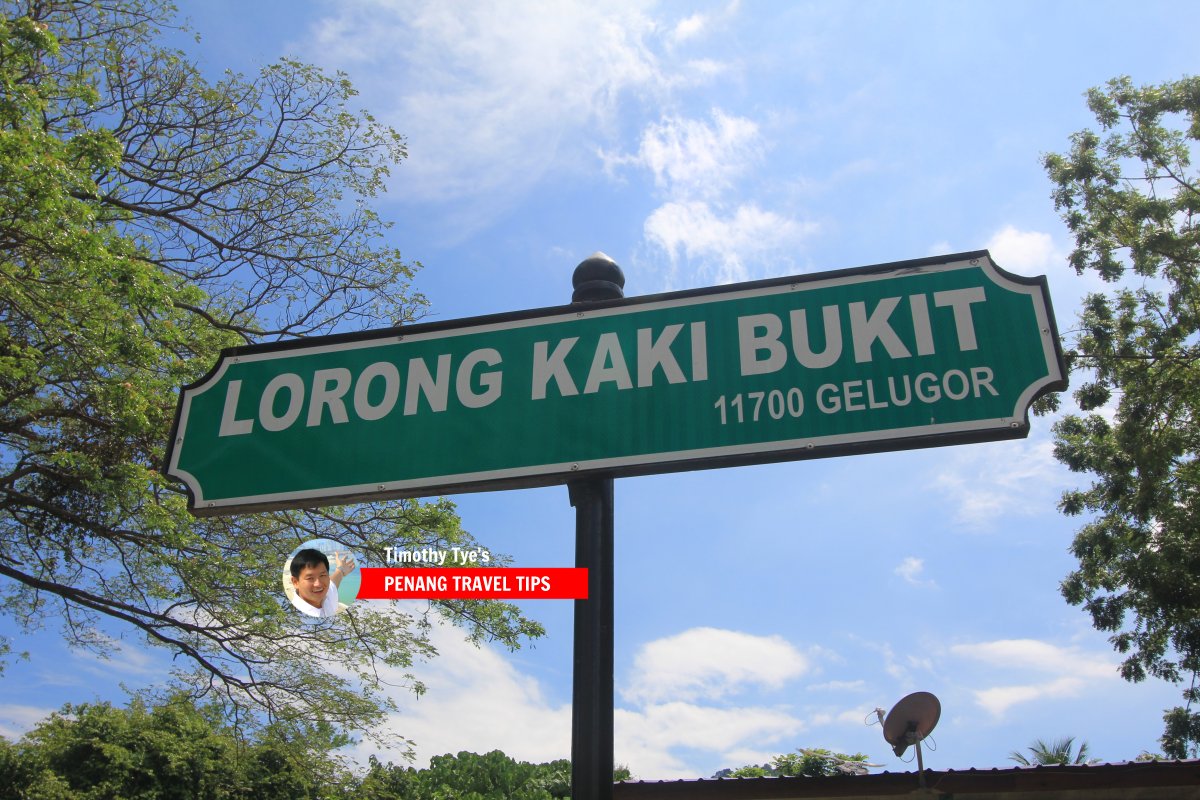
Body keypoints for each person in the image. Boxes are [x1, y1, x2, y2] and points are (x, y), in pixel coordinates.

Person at [288, 548, 355, 618]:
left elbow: (333, 582)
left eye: (322, 575)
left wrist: (341, 570)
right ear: (295, 582)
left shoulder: (327, 594)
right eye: (310, 578)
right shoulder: (297, 615)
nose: (318, 584)